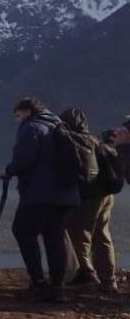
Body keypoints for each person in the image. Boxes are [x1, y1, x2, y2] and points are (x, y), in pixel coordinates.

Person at [4, 98, 80, 303]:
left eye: (17, 115)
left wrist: (10, 169)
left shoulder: (31, 127)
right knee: (54, 238)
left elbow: (24, 161)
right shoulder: (59, 125)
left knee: (22, 230)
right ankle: (58, 288)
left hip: (39, 194)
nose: (17, 120)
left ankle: (38, 282)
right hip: (67, 194)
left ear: (26, 111)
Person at [61, 109, 117, 292]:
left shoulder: (76, 141)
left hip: (89, 197)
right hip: (106, 196)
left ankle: (87, 274)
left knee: (80, 234)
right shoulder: (96, 141)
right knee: (102, 236)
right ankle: (109, 281)